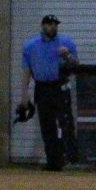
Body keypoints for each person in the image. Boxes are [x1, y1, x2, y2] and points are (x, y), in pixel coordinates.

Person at [20, 14, 79, 171]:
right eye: (50, 24)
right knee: (47, 125)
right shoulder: (30, 46)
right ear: (43, 26)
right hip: (42, 87)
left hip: (60, 86)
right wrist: (24, 94)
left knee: (65, 122)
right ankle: (53, 161)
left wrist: (67, 56)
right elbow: (26, 70)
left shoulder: (66, 43)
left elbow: (76, 66)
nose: (53, 27)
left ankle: (70, 158)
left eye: (55, 24)